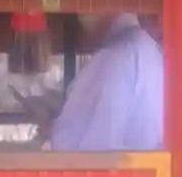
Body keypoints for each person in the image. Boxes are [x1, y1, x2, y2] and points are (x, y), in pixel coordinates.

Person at [47, 12, 164, 152]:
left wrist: (51, 130)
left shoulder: (112, 58)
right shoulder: (150, 50)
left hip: (118, 164)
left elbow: (79, 148)